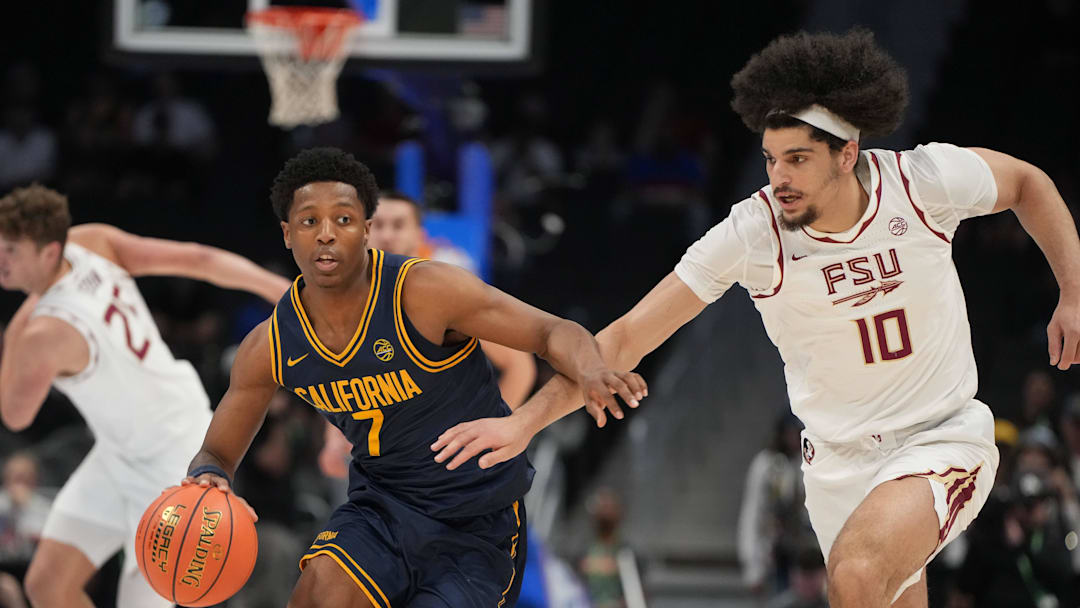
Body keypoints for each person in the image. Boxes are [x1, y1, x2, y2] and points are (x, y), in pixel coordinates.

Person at [429, 28, 1080, 608]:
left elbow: (1028, 184)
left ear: (847, 154)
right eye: (771, 159)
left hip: (937, 438)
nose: (778, 177)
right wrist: (525, 424)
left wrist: (1073, 293)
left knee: (855, 573)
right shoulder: (752, 233)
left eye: (797, 158)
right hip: (836, 465)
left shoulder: (922, 182)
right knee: (876, 589)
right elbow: (624, 336)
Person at [183, 147, 645, 608]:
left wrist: (588, 371)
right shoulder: (271, 345)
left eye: (342, 219)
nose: (326, 234)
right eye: (309, 222)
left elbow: (549, 331)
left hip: (475, 520)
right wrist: (208, 476)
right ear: (287, 234)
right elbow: (217, 452)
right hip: (381, 509)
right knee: (317, 593)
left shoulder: (427, 292)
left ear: (366, 229)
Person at [0, 184, 290, 607]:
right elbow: (199, 259)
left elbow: (15, 415)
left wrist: (14, 333)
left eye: (11, 251)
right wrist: (280, 289)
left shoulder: (41, 331)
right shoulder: (90, 241)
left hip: (173, 456)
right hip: (124, 449)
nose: (1, 260)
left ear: (47, 253)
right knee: (47, 585)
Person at [319, 190, 539, 479]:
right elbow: (343, 379)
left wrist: (491, 434)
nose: (387, 235)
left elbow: (520, 366)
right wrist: (333, 437)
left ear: (419, 234)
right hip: (386, 457)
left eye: (398, 225)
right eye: (378, 225)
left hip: (444, 455)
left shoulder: (444, 292)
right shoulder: (350, 296)